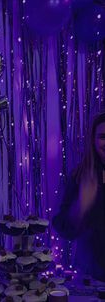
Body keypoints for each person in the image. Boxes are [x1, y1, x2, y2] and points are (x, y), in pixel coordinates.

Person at [53, 112, 105, 281]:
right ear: (93, 141)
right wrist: (81, 205)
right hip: (93, 275)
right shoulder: (80, 176)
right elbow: (63, 228)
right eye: (103, 137)